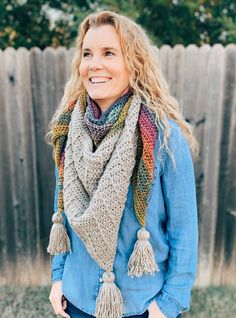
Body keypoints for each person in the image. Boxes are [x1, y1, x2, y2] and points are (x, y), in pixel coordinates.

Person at [46, 10, 199, 318]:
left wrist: (167, 305)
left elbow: (184, 229)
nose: (95, 64)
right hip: (75, 302)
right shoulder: (68, 131)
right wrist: (58, 277)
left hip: (142, 307)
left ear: (134, 63)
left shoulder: (163, 137)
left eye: (109, 53)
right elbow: (62, 213)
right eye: (87, 53)